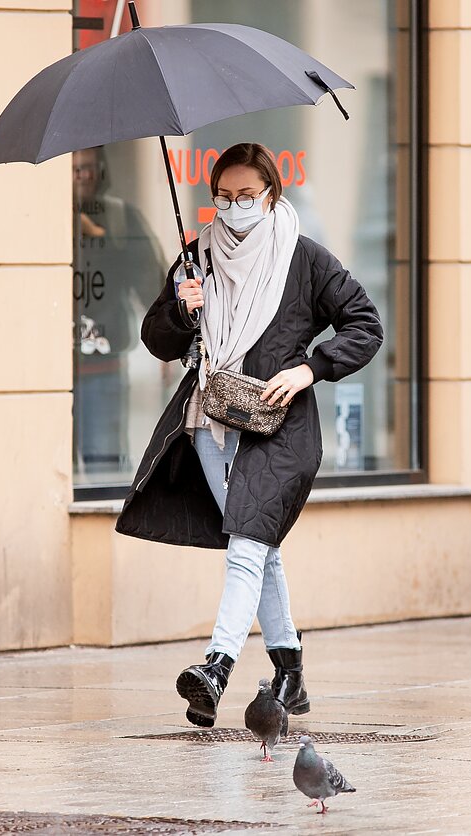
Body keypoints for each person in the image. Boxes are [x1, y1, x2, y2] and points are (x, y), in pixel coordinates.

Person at [115, 142, 384, 727]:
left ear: (272, 194)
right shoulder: (196, 260)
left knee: (246, 545)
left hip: (279, 425)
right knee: (257, 545)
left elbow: (366, 324)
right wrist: (181, 311)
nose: (234, 207)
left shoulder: (305, 258)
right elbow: (158, 341)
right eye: (224, 196)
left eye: (246, 196)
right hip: (209, 421)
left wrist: (310, 366)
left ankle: (218, 666)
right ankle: (291, 674)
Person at [72, 146, 164, 477]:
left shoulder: (120, 217)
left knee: (105, 470)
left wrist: (169, 343)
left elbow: (152, 283)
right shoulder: (46, 220)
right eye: (74, 170)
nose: (81, 177)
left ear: (101, 171)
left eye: (88, 168)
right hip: (50, 372)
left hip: (104, 367)